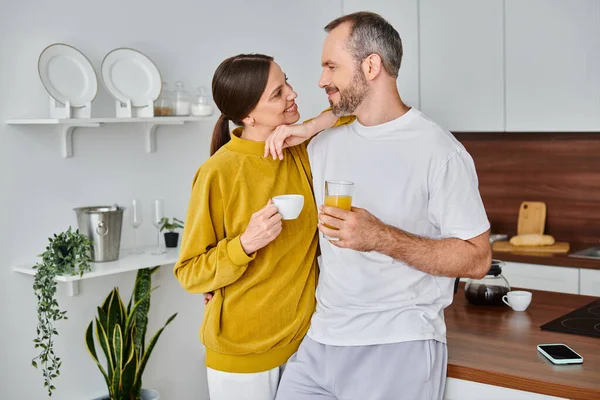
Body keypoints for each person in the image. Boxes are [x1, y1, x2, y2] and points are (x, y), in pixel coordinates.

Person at [272, 12, 492, 400]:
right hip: (319, 343)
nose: (321, 80)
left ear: (371, 65)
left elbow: (477, 260)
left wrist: (381, 237)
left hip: (398, 343)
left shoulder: (439, 151)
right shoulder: (322, 145)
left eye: (331, 66)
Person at [173, 54, 352, 400]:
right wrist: (244, 244)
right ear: (248, 116)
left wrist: (310, 127)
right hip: (242, 357)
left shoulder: (301, 150)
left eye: (287, 82)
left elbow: (360, 110)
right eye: (277, 93)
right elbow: (190, 272)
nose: (293, 94)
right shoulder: (218, 172)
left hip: (306, 346)